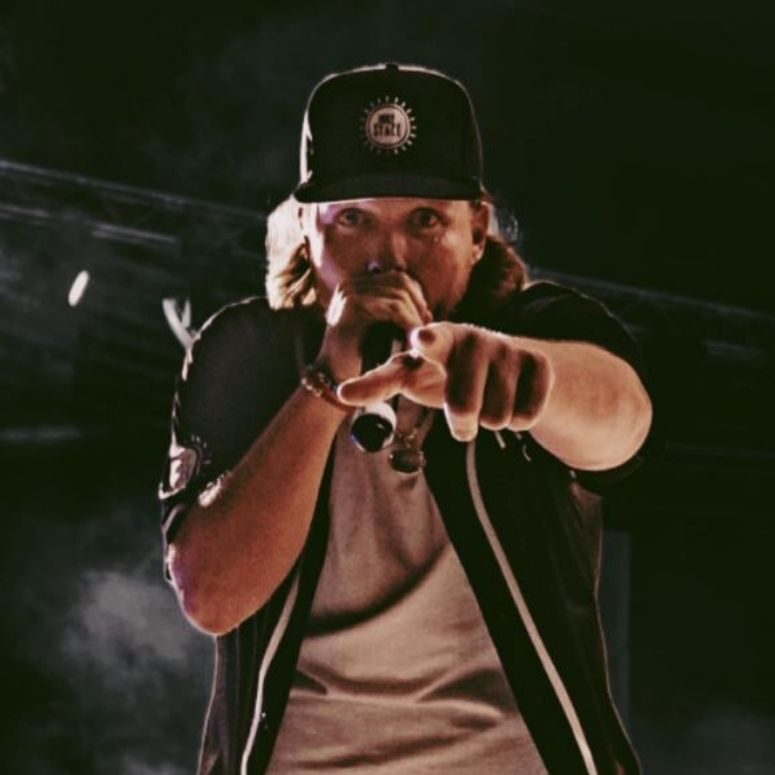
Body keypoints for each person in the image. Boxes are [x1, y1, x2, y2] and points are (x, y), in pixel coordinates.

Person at [159, 63, 653, 775]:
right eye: (353, 219)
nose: (387, 257)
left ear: (476, 230)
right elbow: (210, 594)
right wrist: (326, 385)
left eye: (424, 220)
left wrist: (527, 378)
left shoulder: (534, 327)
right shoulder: (248, 352)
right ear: (306, 231)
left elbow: (623, 421)